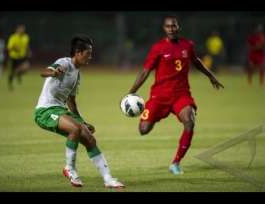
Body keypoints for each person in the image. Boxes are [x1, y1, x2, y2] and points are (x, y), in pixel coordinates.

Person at [126, 16, 224, 175]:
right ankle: (157, 116)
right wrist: (131, 91)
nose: (171, 29)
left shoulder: (188, 45)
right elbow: (145, 71)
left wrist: (211, 76)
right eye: (168, 26)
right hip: (159, 96)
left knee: (190, 122)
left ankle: (175, 163)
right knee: (143, 129)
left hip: (181, 95)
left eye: (174, 26)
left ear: (178, 27)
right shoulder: (158, 48)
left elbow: (196, 61)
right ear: (164, 29)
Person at [34, 35, 124, 188]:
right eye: (88, 53)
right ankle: (70, 168)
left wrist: (83, 122)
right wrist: (54, 73)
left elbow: (71, 102)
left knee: (90, 139)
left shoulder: (77, 74)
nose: (90, 56)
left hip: (61, 110)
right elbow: (43, 72)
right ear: (78, 52)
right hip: (45, 111)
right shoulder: (64, 63)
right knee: (75, 129)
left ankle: (108, 179)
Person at [7, 24, 31, 90]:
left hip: (22, 56)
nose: (22, 30)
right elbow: (9, 48)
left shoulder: (25, 37)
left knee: (26, 67)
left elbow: (27, 45)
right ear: (17, 29)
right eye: (20, 29)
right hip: (13, 57)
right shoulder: (13, 37)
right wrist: (15, 49)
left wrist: (29, 51)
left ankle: (18, 74)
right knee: (11, 71)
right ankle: (10, 84)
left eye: (23, 29)